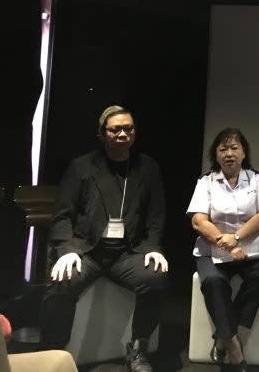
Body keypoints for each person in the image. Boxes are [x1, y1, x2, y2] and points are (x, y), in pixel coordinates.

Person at [41, 105, 169, 372]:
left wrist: (153, 248)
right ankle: (54, 352)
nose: (123, 134)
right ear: (102, 133)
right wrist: (66, 250)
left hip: (127, 252)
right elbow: (63, 214)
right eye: (115, 129)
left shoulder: (148, 167)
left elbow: (156, 215)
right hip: (87, 251)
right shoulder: (81, 166)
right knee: (61, 282)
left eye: (128, 128)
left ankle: (137, 347)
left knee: (156, 278)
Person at [186, 128, 259, 372]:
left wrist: (236, 238)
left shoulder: (257, 180)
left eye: (234, 148)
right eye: (223, 149)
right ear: (215, 155)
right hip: (211, 249)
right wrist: (224, 243)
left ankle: (223, 333)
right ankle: (233, 347)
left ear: (244, 153)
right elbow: (198, 221)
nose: (229, 153)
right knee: (214, 281)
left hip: (251, 250)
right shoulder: (206, 182)